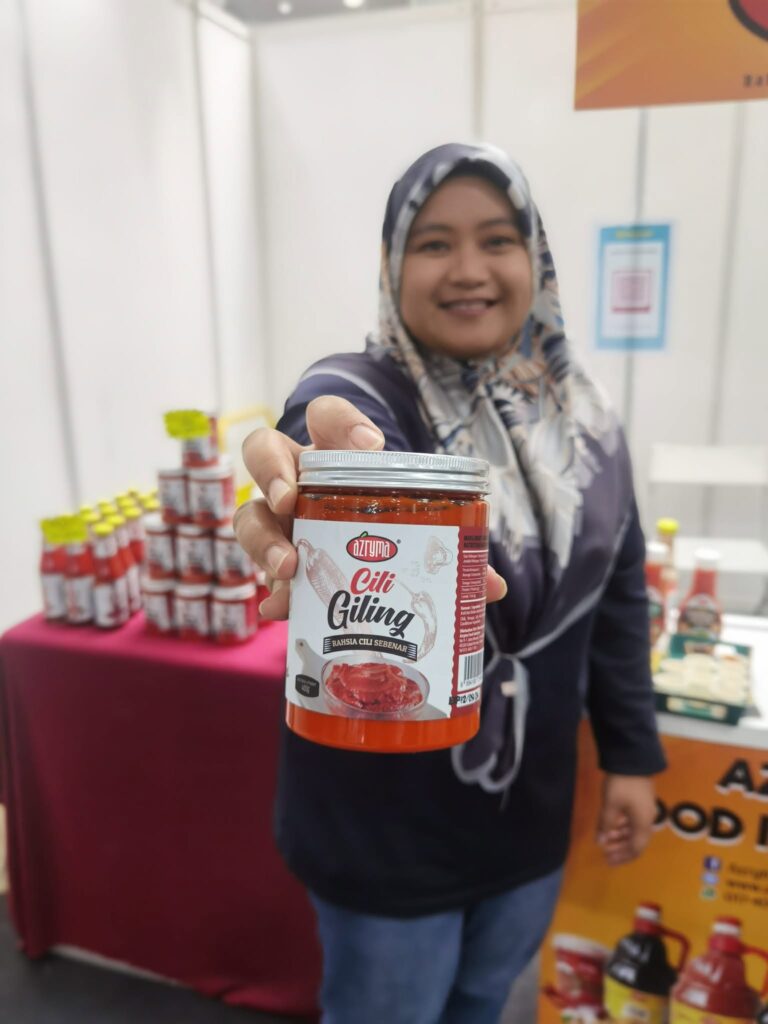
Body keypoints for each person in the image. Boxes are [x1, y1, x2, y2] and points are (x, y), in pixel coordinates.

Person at [234, 142, 666, 1024]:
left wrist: (630, 754)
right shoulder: (363, 388)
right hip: (386, 832)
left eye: (498, 239)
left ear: (534, 257)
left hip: (531, 817)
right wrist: (310, 466)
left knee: (484, 1005)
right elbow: (332, 425)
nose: (469, 269)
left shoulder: (584, 416)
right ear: (393, 264)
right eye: (433, 243)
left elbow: (618, 596)